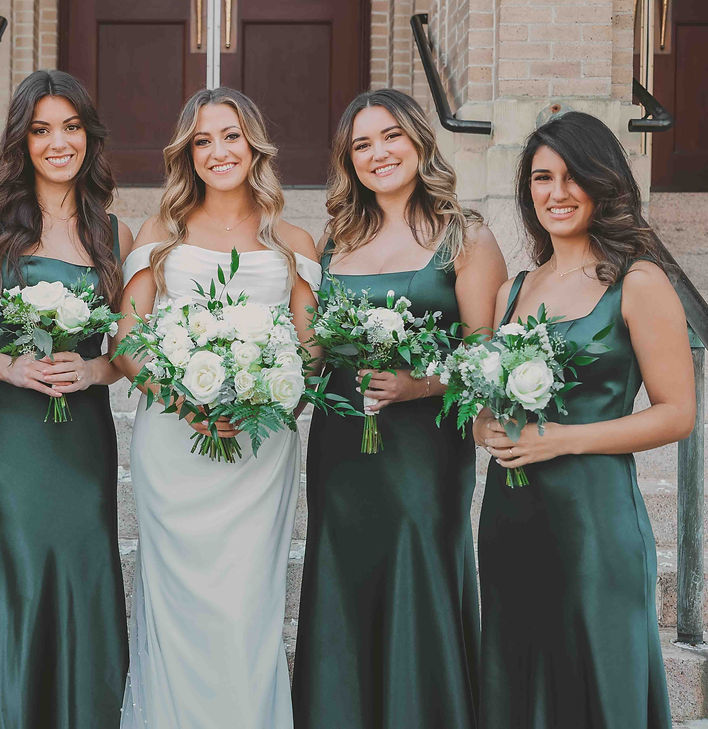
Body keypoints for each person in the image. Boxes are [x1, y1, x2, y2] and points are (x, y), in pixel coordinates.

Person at [292, 88, 506, 729]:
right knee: (341, 572)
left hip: (423, 452)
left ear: (418, 142)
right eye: (361, 144)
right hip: (341, 447)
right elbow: (312, 345)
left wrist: (421, 384)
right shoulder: (335, 236)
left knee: (417, 571)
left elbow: (486, 354)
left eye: (390, 137)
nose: (378, 153)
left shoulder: (465, 234)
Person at [476, 111, 694, 729]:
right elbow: (487, 410)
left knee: (598, 680)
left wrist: (564, 440)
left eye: (574, 177)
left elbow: (677, 413)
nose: (557, 193)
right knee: (518, 675)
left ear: (605, 183)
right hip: (512, 518)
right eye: (542, 178)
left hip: (595, 522)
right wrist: (485, 429)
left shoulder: (640, 281)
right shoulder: (512, 290)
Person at [113, 87, 321, 729]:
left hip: (259, 446)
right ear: (187, 154)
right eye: (203, 140)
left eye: (230, 135)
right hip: (175, 444)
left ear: (253, 143)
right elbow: (126, 344)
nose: (218, 151)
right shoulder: (159, 233)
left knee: (245, 605)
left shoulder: (293, 239)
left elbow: (311, 351)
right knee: (178, 603)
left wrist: (265, 388)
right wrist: (185, 398)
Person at [0, 70, 130, 728]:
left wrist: (96, 370)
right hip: (4, 443)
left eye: (71, 127)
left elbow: (127, 354)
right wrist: (7, 367)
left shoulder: (114, 233)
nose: (58, 142)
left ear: (89, 136)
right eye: (41, 129)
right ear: (21, 139)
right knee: (9, 580)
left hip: (80, 445)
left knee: (77, 576)